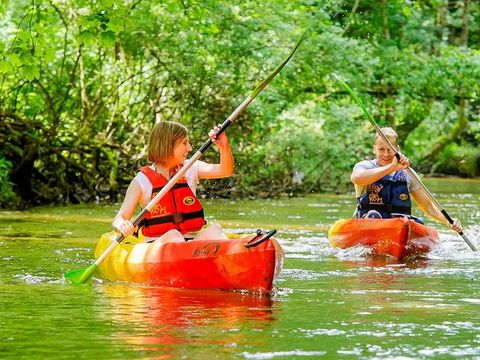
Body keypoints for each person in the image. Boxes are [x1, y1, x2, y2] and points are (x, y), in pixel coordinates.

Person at [112, 120, 234, 243]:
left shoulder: (190, 168)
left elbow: (226, 170)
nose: (190, 148)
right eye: (184, 143)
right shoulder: (141, 181)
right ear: (167, 145)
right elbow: (119, 218)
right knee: (174, 236)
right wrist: (122, 225)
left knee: (215, 229)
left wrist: (224, 146)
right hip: (159, 246)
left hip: (191, 244)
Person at [351, 127, 462, 232]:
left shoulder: (408, 173)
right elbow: (357, 178)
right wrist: (391, 167)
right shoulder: (364, 167)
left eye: (390, 150)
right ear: (374, 149)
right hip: (369, 222)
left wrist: (448, 221)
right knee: (373, 216)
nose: (386, 154)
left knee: (415, 223)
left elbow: (428, 207)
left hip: (398, 226)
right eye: (381, 149)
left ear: (397, 149)